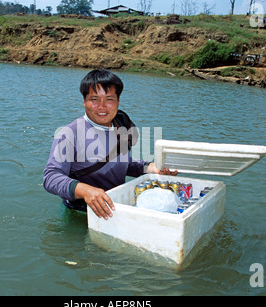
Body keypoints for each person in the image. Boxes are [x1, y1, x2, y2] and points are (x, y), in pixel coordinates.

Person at [43, 69, 177, 220]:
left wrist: (149, 167)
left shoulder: (122, 126)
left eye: (109, 99)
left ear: (118, 101)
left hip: (116, 207)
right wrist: (86, 190)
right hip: (80, 213)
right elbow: (51, 177)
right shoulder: (68, 134)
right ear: (84, 101)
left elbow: (120, 163)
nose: (102, 106)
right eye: (94, 99)